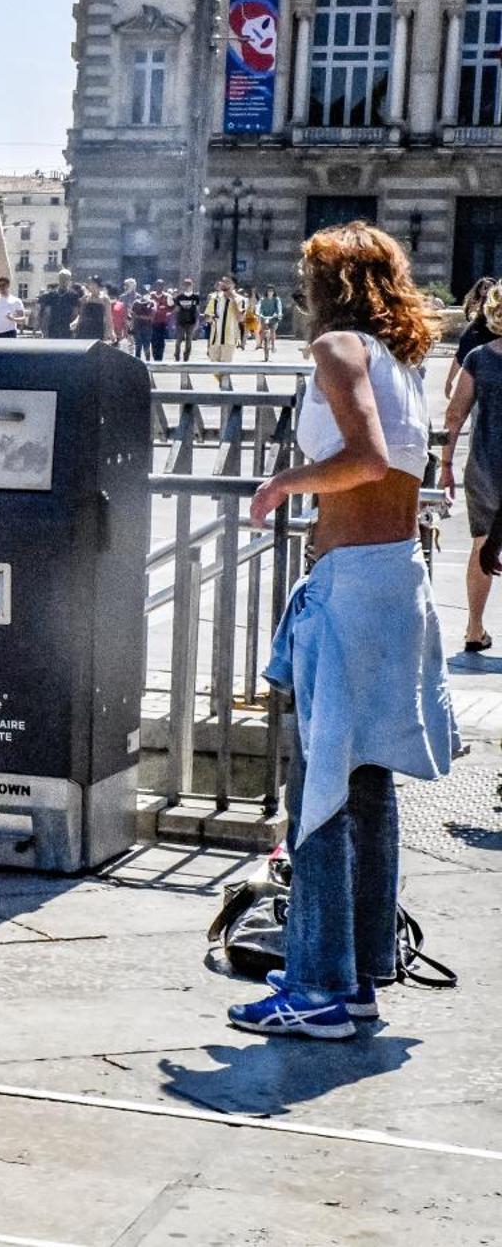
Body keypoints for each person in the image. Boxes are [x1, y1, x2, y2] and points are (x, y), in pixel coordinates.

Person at [234, 221, 456, 1041]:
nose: (301, 292)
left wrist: (285, 481)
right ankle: (361, 976)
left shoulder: (337, 349)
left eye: (307, 277)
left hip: (353, 584)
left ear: (332, 283)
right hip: (401, 576)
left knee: (319, 794)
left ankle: (321, 987)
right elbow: (404, 466)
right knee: (368, 785)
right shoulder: (406, 363)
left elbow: (361, 457)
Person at [442, 286, 502, 654]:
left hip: (485, 466)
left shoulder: (479, 358)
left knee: (483, 545)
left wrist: (446, 464)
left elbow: (454, 415)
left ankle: (474, 628)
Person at [204, 276, 248, 362]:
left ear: (233, 285)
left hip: (229, 339)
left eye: (227, 282)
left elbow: (240, 318)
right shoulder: (215, 299)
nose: (224, 284)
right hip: (215, 339)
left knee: (225, 370)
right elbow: (207, 317)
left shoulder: (241, 300)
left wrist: (233, 300)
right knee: (215, 371)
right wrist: (210, 317)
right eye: (223, 282)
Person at [37, 269, 80, 338]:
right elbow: (45, 312)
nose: (63, 280)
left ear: (69, 279)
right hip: (53, 326)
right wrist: (42, 327)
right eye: (61, 278)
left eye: (66, 278)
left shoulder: (73, 295)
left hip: (67, 327)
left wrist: (73, 324)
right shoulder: (51, 294)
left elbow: (75, 312)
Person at [172, 277, 202, 361]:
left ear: (192, 286)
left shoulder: (195, 297)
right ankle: (177, 357)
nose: (187, 286)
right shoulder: (179, 297)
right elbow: (177, 310)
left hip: (191, 321)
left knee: (189, 341)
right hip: (180, 321)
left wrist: (197, 322)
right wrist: (174, 322)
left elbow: (197, 310)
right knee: (179, 340)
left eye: (189, 285)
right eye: (185, 285)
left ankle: (186, 358)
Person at [256, 285, 285, 357]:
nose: (270, 292)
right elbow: (258, 306)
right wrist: (257, 313)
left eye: (271, 291)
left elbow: (279, 307)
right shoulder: (263, 299)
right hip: (264, 317)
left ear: (274, 292)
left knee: (272, 331)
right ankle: (261, 343)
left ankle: (273, 345)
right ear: (266, 291)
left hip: (273, 317)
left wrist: (279, 314)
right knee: (262, 330)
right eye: (269, 291)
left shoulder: (276, 299)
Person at [130, 286, 158, 360]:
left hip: (146, 328)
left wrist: (137, 317)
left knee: (145, 347)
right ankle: (139, 365)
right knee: (139, 347)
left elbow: (151, 317)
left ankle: (147, 364)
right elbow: (133, 315)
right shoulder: (136, 303)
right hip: (139, 327)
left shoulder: (151, 303)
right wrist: (132, 326)